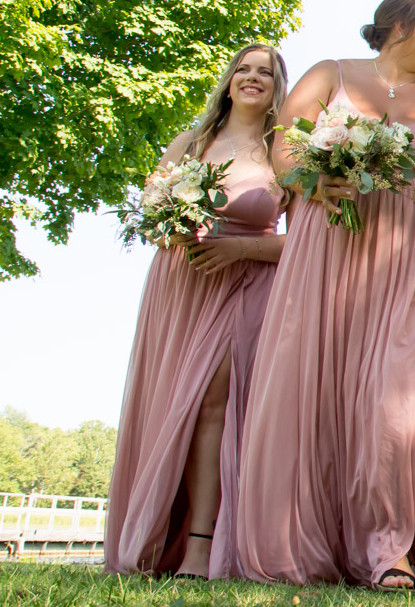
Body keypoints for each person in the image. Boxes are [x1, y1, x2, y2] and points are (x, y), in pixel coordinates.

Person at [235, 0, 415, 590]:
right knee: (320, 393)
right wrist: (312, 179)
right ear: (400, 27)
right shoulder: (330, 74)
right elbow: (285, 147)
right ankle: (312, 541)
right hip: (332, 257)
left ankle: (391, 548)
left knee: (399, 404)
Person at [105, 44, 289, 579]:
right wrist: (175, 224)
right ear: (228, 81)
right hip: (182, 281)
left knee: (214, 404)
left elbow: (307, 243)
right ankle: (159, 534)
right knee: (173, 405)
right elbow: (151, 208)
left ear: (280, 87)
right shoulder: (193, 142)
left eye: (266, 72)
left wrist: (243, 248)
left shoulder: (284, 151)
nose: (252, 78)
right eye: (243, 69)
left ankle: (203, 546)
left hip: (247, 280)